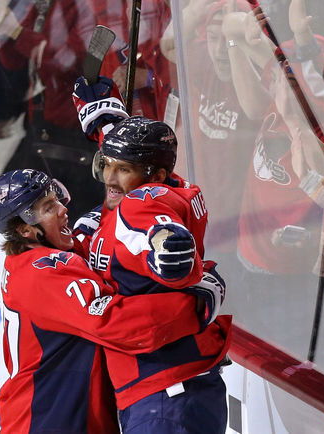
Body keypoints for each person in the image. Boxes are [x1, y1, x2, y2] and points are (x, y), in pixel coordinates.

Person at [0, 169, 213, 433]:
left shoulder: (30, 260)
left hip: (56, 419)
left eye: (56, 199)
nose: (62, 210)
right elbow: (116, 322)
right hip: (49, 424)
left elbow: (101, 236)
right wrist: (195, 305)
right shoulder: (43, 273)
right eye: (48, 208)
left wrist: (147, 185)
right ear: (25, 229)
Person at [70, 108, 231, 432]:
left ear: (155, 176)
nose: (110, 178)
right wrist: (108, 124)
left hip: (164, 395)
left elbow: (152, 227)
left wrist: (166, 248)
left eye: (123, 169)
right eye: (106, 164)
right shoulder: (164, 185)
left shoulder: (139, 205)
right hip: (180, 387)